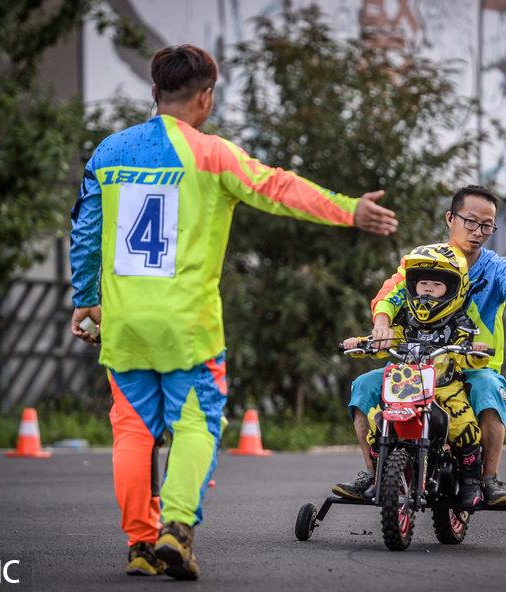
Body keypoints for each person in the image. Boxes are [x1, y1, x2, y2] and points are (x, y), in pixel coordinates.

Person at [69, 44, 398, 580]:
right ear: (206, 97)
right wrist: (348, 210)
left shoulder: (109, 152)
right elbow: (278, 188)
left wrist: (86, 300)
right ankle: (176, 528)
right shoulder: (212, 154)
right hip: (189, 328)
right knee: (196, 422)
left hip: (125, 323)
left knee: (132, 432)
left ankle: (140, 543)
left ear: (155, 94)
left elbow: (83, 228)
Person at [332, 184, 506, 506]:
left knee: (489, 389)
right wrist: (381, 324)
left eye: (487, 225)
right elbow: (390, 293)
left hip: (472, 365)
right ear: (451, 218)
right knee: (364, 386)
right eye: (471, 221)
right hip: (417, 365)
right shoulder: (422, 261)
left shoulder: (495, 267)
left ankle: (488, 479)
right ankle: (375, 473)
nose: (478, 232)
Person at [342, 243, 492, 508]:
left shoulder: (458, 323)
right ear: (413, 286)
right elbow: (384, 342)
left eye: (437, 284)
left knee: (464, 427)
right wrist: (361, 344)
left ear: (454, 290)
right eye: (423, 283)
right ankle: (380, 476)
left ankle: (471, 482)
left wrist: (476, 351)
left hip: (445, 387)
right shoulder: (405, 320)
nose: (428, 290)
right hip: (406, 385)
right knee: (378, 424)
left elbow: (468, 353)